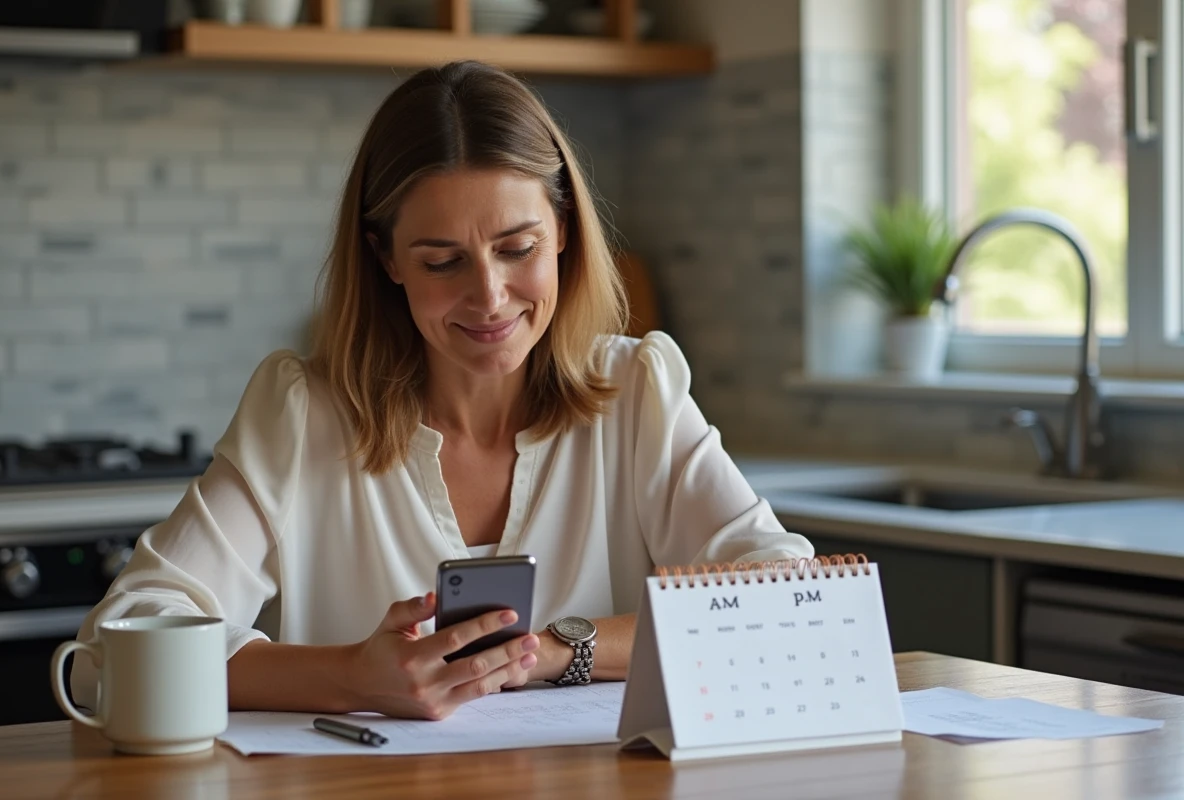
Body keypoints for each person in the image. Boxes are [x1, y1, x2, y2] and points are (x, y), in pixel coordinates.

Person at [71, 60, 813, 721]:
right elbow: (108, 654)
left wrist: (554, 651)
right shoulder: (302, 413)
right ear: (386, 259)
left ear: (562, 232)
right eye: (441, 261)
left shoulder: (635, 392)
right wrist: (350, 676)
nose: (489, 296)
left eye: (517, 248)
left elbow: (790, 600)